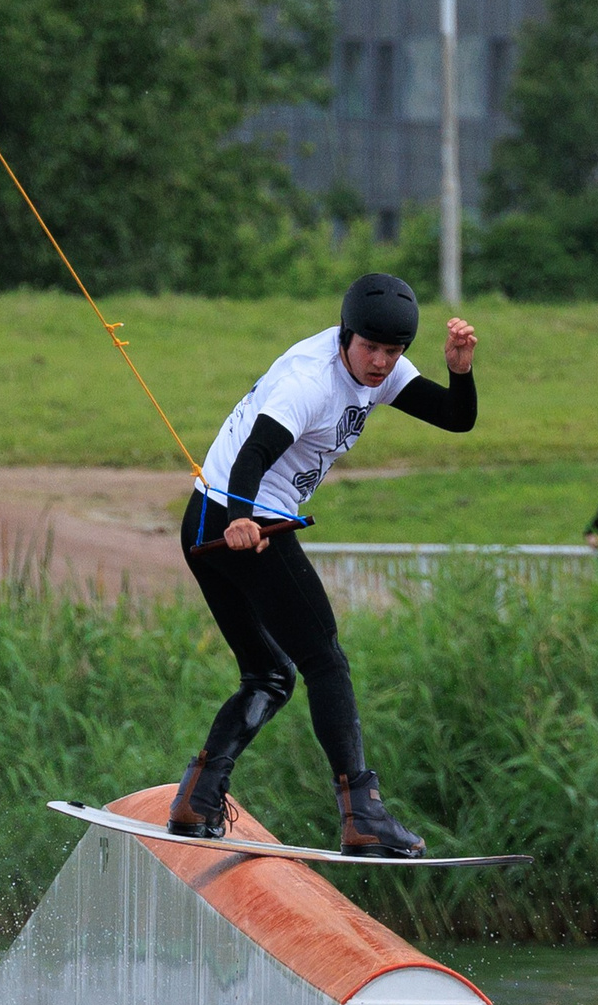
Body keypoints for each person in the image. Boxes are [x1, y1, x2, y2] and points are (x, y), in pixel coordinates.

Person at [170, 273, 478, 856]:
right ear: (346, 335)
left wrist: (459, 371)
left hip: (205, 522)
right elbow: (255, 453)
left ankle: (196, 801)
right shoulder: (309, 381)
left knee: (270, 674)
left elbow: (455, 418)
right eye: (372, 349)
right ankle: (363, 815)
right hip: (243, 520)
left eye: (395, 352)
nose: (382, 363)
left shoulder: (375, 368)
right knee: (325, 661)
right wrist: (243, 518)